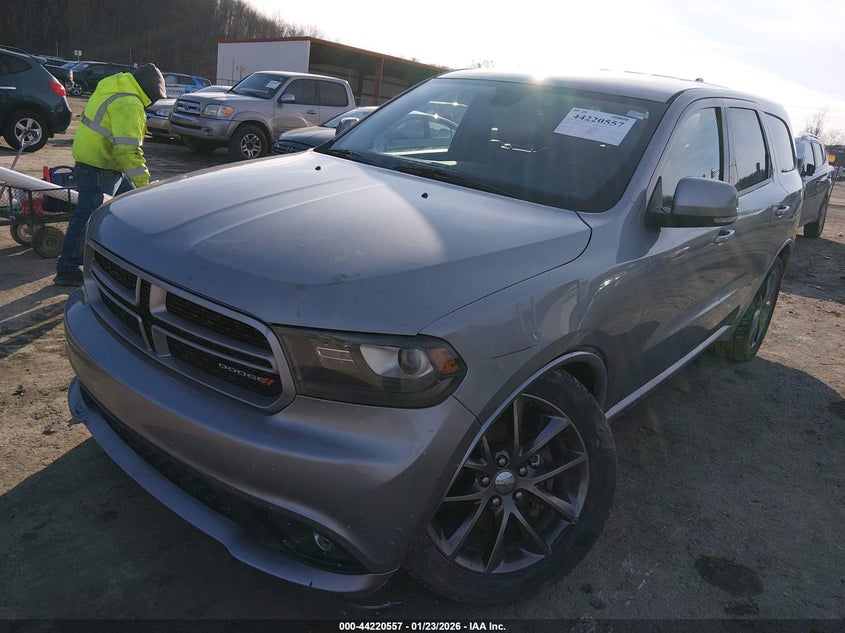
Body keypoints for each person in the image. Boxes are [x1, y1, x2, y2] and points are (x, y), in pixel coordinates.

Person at [53, 63, 166, 286]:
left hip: (100, 161)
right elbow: (127, 151)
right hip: (99, 165)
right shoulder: (129, 102)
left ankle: (124, 256)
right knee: (87, 216)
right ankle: (67, 268)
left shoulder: (115, 86)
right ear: (149, 91)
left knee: (132, 205)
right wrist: (145, 183)